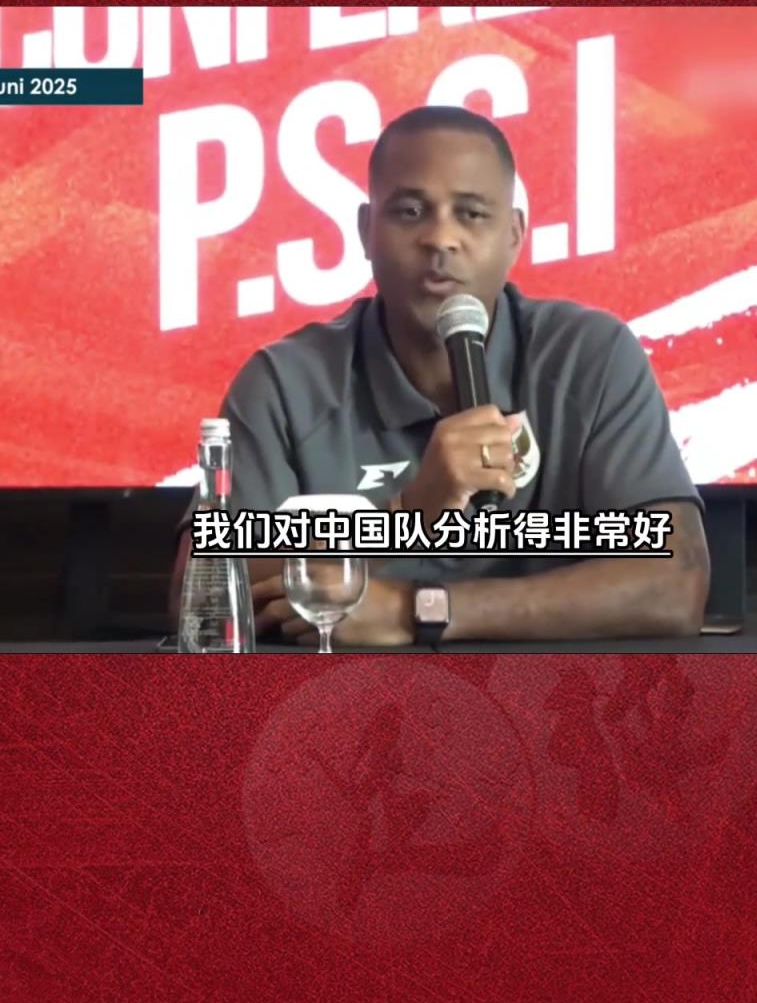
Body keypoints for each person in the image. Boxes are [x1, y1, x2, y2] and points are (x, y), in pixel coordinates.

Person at [171, 105, 710, 646]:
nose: (441, 239)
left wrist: (418, 611)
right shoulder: (286, 384)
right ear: (366, 231)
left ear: (514, 235)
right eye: (410, 212)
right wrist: (409, 516)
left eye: (471, 214)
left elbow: (676, 582)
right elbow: (203, 596)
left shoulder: (590, 359)